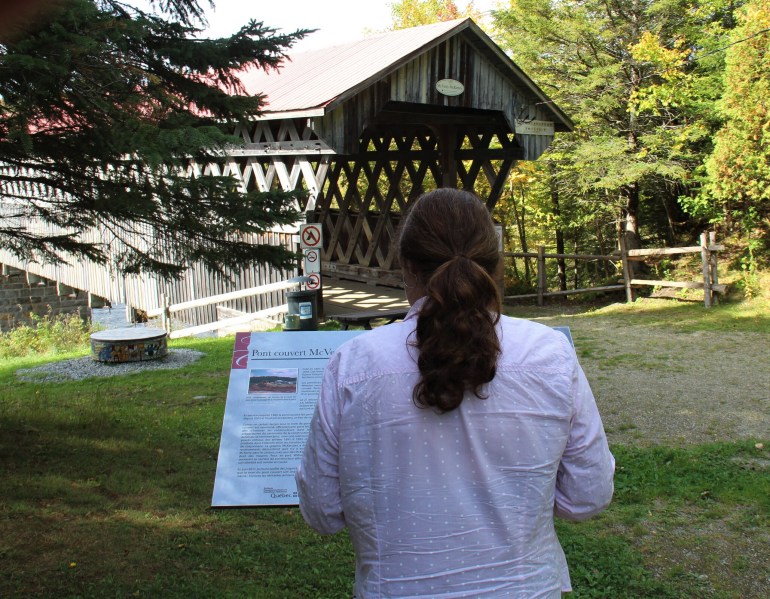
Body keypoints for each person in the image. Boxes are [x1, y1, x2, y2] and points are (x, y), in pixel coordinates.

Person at [296, 188, 615, 598]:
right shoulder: (549, 353)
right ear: (495, 266)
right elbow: (586, 496)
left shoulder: (354, 364)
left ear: (407, 266)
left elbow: (323, 512)